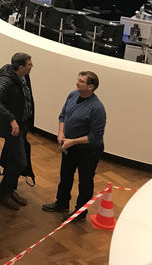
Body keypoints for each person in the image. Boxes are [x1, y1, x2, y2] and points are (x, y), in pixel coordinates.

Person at [42, 71, 106, 221]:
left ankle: (80, 213)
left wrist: (73, 141)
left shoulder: (97, 108)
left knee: (85, 182)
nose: (77, 83)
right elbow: (62, 115)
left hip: (88, 152)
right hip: (69, 147)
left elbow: (95, 137)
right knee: (65, 176)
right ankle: (62, 203)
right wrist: (60, 133)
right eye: (78, 79)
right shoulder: (72, 95)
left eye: (82, 81)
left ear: (91, 87)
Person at [0, 52, 35, 210]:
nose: (31, 66)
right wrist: (12, 119)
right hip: (14, 129)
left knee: (14, 160)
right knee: (20, 162)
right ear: (21, 67)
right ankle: (2, 193)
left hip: (23, 125)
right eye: (29, 64)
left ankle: (10, 190)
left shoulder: (23, 76)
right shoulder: (7, 81)